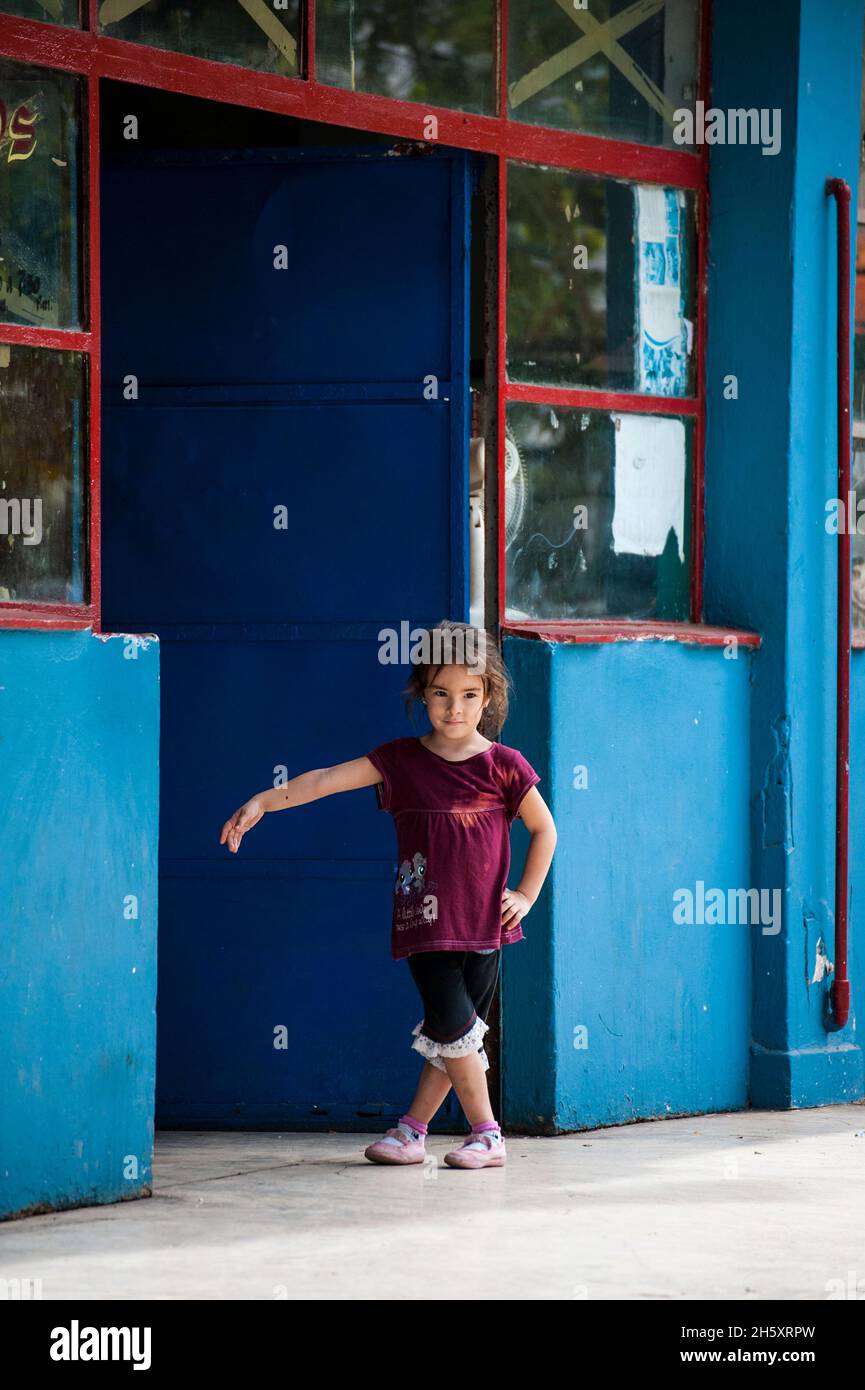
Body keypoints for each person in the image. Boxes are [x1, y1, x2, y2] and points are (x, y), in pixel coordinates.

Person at [219, 620, 557, 1171]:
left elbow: (546, 831)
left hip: (486, 927)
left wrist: (526, 892)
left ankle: (412, 1130)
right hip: (425, 923)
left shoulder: (505, 766)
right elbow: (324, 779)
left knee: (454, 1033)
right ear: (422, 693)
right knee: (454, 1027)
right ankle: (487, 1132)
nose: (455, 709)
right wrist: (263, 800)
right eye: (441, 694)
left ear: (488, 697)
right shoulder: (400, 760)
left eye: (469, 695)